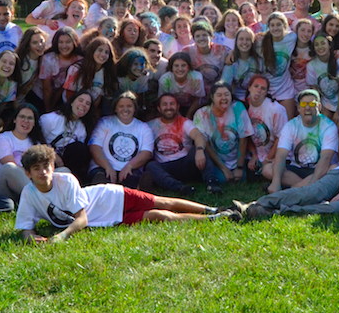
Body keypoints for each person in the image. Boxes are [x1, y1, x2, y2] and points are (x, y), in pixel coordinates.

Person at [16, 144, 230, 244]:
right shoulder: (29, 193)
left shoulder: (66, 180)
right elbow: (26, 227)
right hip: (109, 219)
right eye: (36, 168)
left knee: (163, 202)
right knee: (161, 216)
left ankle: (211, 208)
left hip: (112, 196)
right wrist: (31, 238)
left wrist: (61, 237)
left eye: (46, 166)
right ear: (28, 173)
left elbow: (81, 219)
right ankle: (213, 218)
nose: (43, 172)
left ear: (53, 166)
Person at [266, 90, 339, 193]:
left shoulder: (329, 126)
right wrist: (275, 183)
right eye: (304, 104)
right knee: (268, 169)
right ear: (299, 108)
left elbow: (326, 159)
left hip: (321, 169)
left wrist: (312, 183)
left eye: (312, 104)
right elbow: (281, 155)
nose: (308, 108)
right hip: (296, 169)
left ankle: (291, 190)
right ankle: (304, 186)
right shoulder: (291, 125)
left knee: (334, 169)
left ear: (319, 107)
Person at [143, 92, 217, 195]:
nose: (169, 107)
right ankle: (179, 188)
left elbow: (198, 135)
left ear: (178, 107)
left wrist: (199, 150)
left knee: (198, 149)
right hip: (165, 167)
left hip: (185, 163)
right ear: (159, 108)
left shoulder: (184, 122)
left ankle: (212, 184)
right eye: (165, 104)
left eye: (172, 104)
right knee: (151, 166)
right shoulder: (150, 126)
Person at [193, 82, 254, 187]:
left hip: (237, 158)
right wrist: (223, 168)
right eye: (219, 95)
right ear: (212, 97)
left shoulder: (238, 108)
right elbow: (206, 145)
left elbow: (243, 140)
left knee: (243, 178)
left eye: (226, 94)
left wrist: (239, 167)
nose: (224, 97)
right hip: (216, 160)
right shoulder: (202, 114)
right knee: (221, 180)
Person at [88, 92, 154, 187]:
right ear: (115, 108)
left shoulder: (144, 127)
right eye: (121, 106)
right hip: (103, 168)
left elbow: (146, 153)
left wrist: (129, 166)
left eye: (129, 106)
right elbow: (95, 147)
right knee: (101, 177)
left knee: (133, 178)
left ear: (135, 108)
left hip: (130, 170)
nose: (125, 109)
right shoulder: (105, 122)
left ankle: (139, 188)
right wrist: (108, 167)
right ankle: (102, 188)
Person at [0, 103, 46, 201]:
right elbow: (11, 166)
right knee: (10, 168)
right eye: (22, 117)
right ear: (14, 120)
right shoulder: (3, 138)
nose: (25, 121)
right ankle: (44, 201)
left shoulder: (36, 144)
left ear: (34, 123)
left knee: (63, 172)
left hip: (26, 188)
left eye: (30, 118)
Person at [41, 89, 97, 179]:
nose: (83, 105)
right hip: (46, 157)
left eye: (87, 103)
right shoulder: (50, 119)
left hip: (66, 162)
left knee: (80, 148)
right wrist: (53, 155)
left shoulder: (82, 128)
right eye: (80, 100)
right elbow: (37, 140)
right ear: (71, 102)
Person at [244, 75, 288, 179]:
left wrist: (267, 160)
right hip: (255, 154)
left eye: (263, 88)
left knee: (267, 171)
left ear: (267, 92)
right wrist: (254, 155)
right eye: (256, 86)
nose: (258, 90)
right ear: (249, 87)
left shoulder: (276, 109)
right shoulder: (244, 106)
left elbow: (281, 138)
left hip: (274, 155)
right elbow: (246, 135)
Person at [62, 36, 116, 115]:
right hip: (71, 107)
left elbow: (99, 96)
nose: (103, 54)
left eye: (106, 52)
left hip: (89, 109)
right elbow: (69, 93)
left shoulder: (106, 72)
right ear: (92, 51)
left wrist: (90, 113)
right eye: (100, 50)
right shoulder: (76, 69)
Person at [259, 12, 298, 117]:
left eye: (278, 24)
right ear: (268, 27)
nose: (275, 28)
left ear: (284, 26)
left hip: (285, 89)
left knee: (287, 123)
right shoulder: (261, 42)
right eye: (272, 25)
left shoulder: (291, 38)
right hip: (267, 90)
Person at [307, 33, 339, 116]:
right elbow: (314, 88)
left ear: (329, 45)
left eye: (323, 43)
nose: (320, 47)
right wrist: (321, 108)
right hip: (326, 104)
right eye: (316, 45)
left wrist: (338, 111)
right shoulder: (311, 65)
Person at [41, 26, 82, 112]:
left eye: (68, 42)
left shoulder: (80, 59)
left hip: (70, 96)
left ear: (74, 42)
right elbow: (47, 89)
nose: (64, 46)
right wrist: (48, 110)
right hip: (46, 97)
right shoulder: (48, 59)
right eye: (61, 42)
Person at [158, 52, 206, 118]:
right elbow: (164, 100)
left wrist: (188, 115)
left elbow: (197, 99)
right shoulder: (165, 80)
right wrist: (179, 117)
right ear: (171, 67)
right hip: (171, 106)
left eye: (183, 65)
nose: (180, 69)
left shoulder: (197, 78)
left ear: (188, 67)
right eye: (176, 66)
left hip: (191, 106)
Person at [183, 20, 230, 85]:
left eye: (204, 35)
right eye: (198, 36)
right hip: (195, 88)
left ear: (211, 37)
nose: (201, 38)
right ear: (193, 38)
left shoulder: (221, 50)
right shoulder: (187, 51)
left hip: (218, 88)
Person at [14, 27, 49, 107]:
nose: (40, 45)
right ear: (28, 45)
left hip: (24, 100)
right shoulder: (20, 62)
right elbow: (11, 90)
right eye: (35, 43)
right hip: (12, 102)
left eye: (41, 41)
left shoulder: (42, 59)